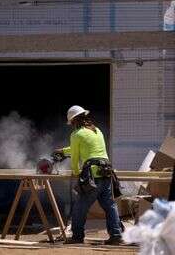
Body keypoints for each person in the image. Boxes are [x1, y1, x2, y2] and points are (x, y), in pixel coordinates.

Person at [55, 105, 123, 246]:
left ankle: (77, 237)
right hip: (106, 173)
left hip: (92, 176)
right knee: (110, 205)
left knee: (79, 207)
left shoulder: (76, 134)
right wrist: (63, 151)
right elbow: (84, 148)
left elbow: (75, 157)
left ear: (73, 121)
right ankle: (116, 236)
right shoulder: (97, 131)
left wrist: (76, 172)